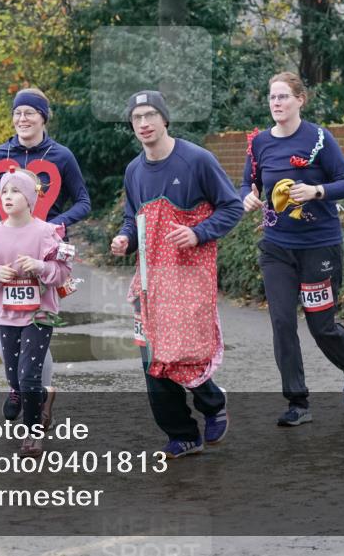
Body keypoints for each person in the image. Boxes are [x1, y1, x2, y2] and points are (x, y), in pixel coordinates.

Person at [111, 90, 242, 459]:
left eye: (151, 115)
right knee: (153, 360)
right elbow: (132, 218)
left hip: (188, 276)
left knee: (182, 352)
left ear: (165, 119)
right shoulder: (134, 170)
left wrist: (198, 232)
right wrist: (125, 239)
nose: (144, 123)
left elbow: (231, 207)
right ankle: (182, 434)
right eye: (137, 118)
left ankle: (213, 404)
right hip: (149, 282)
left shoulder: (196, 160)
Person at [240, 71, 344, 427]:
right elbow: (247, 183)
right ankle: (297, 402)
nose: (276, 103)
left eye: (283, 97)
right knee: (281, 322)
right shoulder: (260, 143)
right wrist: (246, 197)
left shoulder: (320, 139)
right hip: (277, 248)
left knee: (320, 326)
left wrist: (316, 191)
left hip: (318, 247)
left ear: (300, 100)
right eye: (271, 97)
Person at [0, 88, 91, 424]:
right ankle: (19, 386)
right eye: (17, 113)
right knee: (8, 327)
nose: (22, 119)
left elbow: (83, 202)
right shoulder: (0, 154)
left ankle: (37, 397)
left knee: (37, 322)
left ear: (44, 117)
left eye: (30, 113)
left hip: (45, 256)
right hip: (6, 252)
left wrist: (50, 227)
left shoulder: (61, 156)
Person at [0, 167, 73, 456]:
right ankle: (40, 397)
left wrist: (41, 267)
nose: (8, 196)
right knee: (15, 378)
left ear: (30, 198)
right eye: (4, 191)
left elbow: (63, 271)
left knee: (29, 375)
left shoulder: (46, 233)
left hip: (40, 314)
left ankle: (33, 437)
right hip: (6, 314)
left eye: (15, 191)